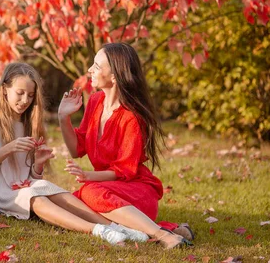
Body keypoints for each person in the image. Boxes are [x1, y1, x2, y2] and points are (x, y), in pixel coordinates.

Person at [0, 62, 149, 245]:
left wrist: (37, 165)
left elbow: (29, 177)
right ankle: (97, 230)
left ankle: (116, 227)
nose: (25, 100)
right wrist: (9, 148)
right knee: (36, 197)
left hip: (23, 188)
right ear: (4, 90)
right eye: (20, 93)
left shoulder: (28, 125)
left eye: (30, 95)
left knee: (52, 189)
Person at [58, 43, 194, 249]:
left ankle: (161, 234)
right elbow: (77, 149)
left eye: (96, 66)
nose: (89, 70)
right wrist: (63, 118)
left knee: (88, 193)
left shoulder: (132, 116)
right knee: (71, 201)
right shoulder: (95, 101)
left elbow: (124, 171)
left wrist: (88, 176)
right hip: (107, 190)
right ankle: (153, 229)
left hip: (136, 192)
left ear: (114, 76)